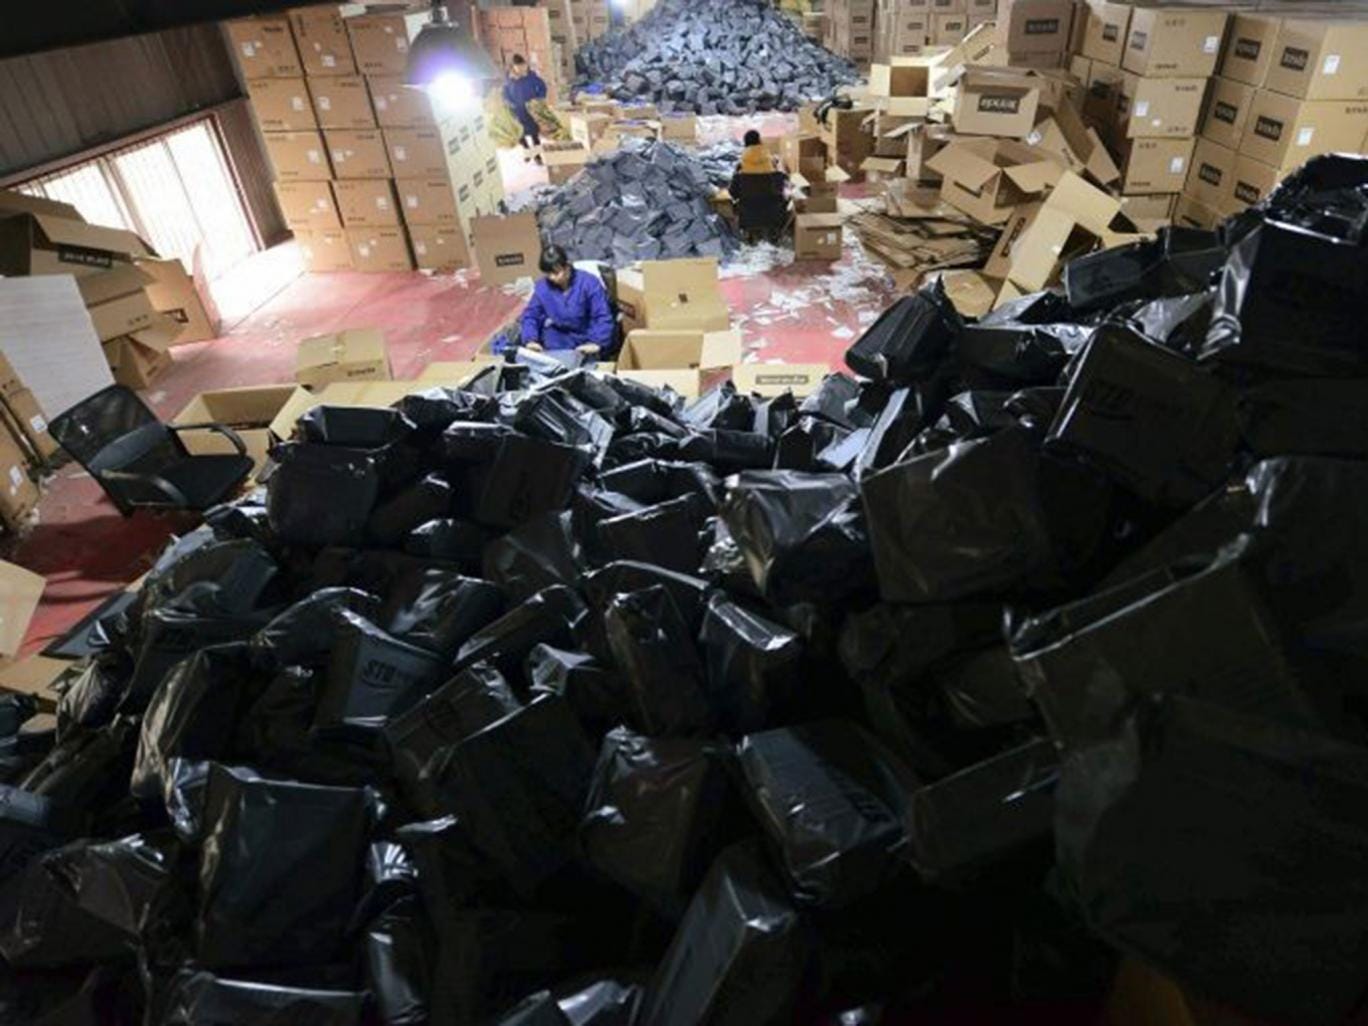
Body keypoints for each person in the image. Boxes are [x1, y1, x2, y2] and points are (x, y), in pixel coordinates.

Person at [519, 246, 615, 355]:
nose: (552, 278)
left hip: (587, 335)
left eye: (556, 273)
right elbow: (531, 315)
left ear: (567, 267)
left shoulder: (589, 283)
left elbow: (602, 315)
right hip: (559, 338)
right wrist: (530, 340)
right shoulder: (542, 288)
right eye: (548, 274)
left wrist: (597, 342)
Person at [729, 129, 790, 244]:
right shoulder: (773, 169)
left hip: (748, 214)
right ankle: (773, 231)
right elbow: (781, 190)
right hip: (773, 214)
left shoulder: (740, 171)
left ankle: (750, 233)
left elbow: (733, 193)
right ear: (760, 141)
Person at [503, 54, 548, 163]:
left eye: (523, 66)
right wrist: (510, 103)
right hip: (517, 112)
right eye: (518, 67)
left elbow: (543, 87)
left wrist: (539, 99)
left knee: (534, 134)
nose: (521, 69)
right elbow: (505, 93)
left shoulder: (531, 77)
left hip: (531, 110)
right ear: (513, 67)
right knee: (520, 135)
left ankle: (537, 156)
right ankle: (528, 152)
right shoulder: (510, 80)